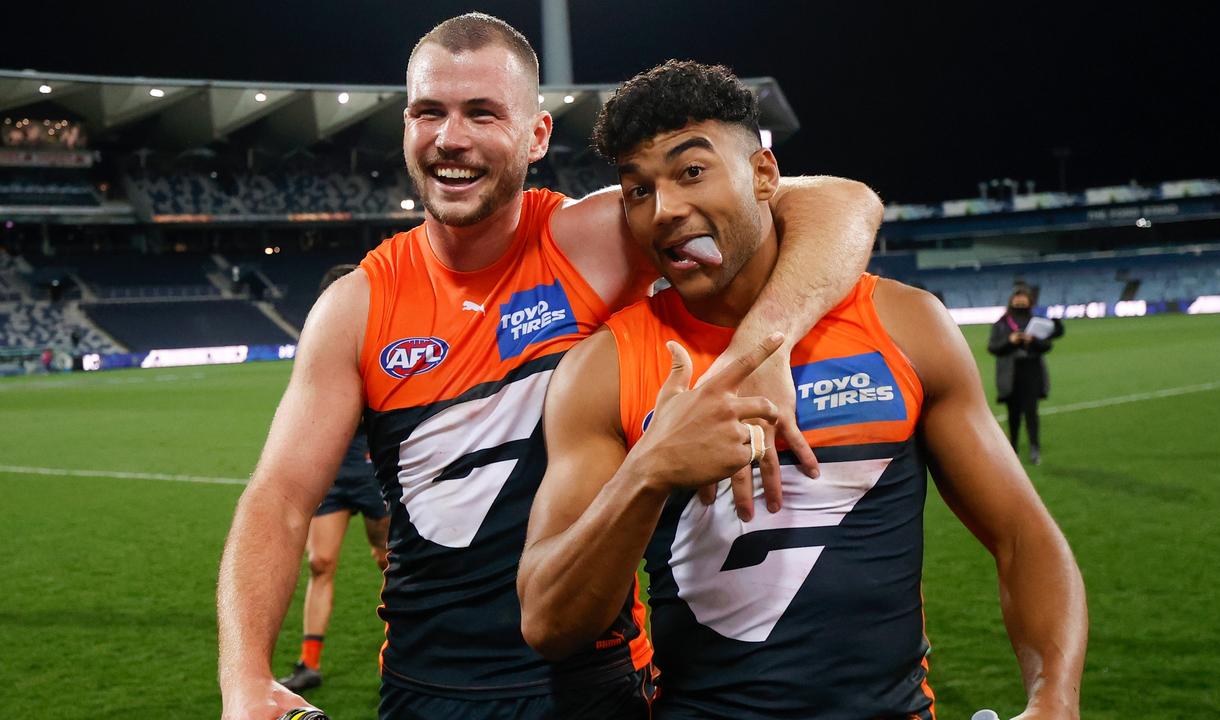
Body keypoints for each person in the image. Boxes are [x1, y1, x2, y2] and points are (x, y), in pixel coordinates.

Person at [217, 13, 885, 720]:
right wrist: (244, 677)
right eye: (429, 113)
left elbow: (843, 201)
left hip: (593, 682)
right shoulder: (355, 308)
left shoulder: (593, 240)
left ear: (537, 135)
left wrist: (764, 345)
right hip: (428, 688)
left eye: (482, 113)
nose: (452, 138)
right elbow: (280, 500)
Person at [518, 60, 1087, 719]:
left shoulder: (903, 325)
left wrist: (1055, 697)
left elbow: (1024, 537)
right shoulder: (604, 367)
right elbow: (549, 623)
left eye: (691, 171)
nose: (666, 209)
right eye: (638, 190)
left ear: (764, 175)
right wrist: (647, 473)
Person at [276, 264, 391, 695]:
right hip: (331, 470)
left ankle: (398, 645)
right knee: (319, 563)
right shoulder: (319, 346)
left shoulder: (382, 342)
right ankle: (309, 663)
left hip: (372, 470)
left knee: (388, 562)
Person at [988, 284, 1055, 465]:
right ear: (1011, 300)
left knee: (1032, 412)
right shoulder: (1002, 323)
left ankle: (1034, 448)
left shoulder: (1037, 321)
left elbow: (1047, 346)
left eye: (1023, 297)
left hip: (1032, 371)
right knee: (1013, 414)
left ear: (1029, 301)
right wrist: (1010, 341)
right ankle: (1013, 449)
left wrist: (1032, 340)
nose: (1020, 300)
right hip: (1011, 374)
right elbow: (993, 347)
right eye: (1017, 297)